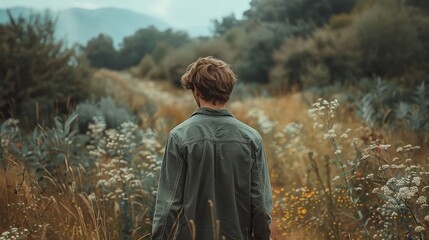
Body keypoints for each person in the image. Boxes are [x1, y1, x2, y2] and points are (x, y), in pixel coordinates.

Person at [151, 57, 272, 240]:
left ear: (196, 90)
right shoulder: (251, 139)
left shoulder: (179, 136)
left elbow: (168, 206)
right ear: (229, 91)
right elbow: (261, 205)